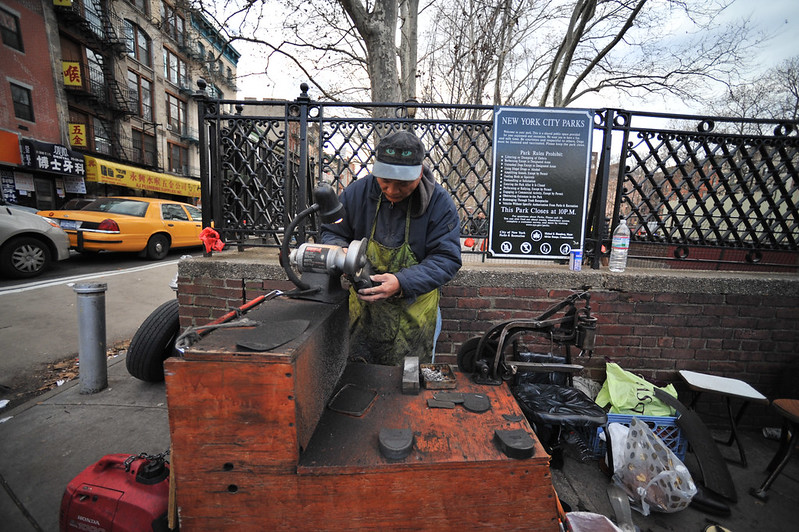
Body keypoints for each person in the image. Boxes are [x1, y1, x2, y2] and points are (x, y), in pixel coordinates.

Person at [321, 130, 462, 366]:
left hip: (415, 315)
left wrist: (402, 282)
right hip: (364, 314)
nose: (392, 191)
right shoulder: (357, 193)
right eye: (385, 181)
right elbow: (332, 232)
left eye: (403, 184)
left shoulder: (440, 204)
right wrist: (340, 252)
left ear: (419, 172)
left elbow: (446, 258)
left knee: (409, 385)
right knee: (359, 377)